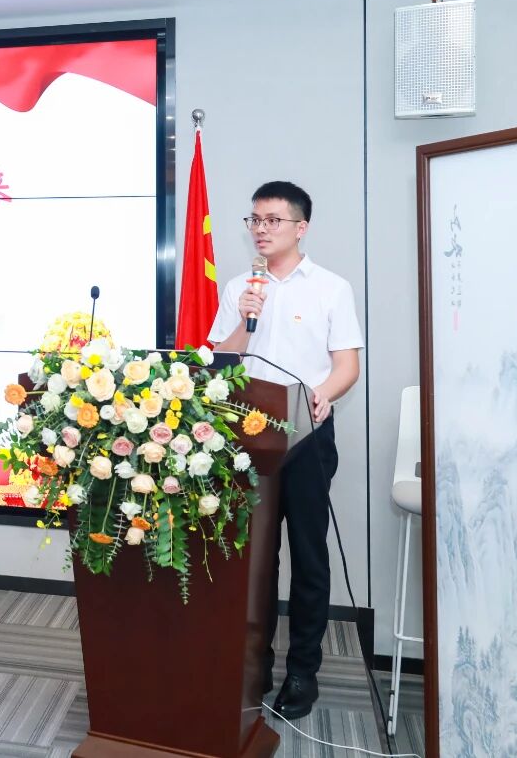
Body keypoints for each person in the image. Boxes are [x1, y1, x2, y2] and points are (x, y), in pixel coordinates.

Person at [208, 180, 363, 721]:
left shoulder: (331, 288)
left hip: (307, 436)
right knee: (253, 559)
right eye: (254, 219)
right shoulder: (239, 288)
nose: (260, 229)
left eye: (272, 220)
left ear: (301, 227)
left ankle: (303, 672)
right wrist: (243, 321)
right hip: (247, 438)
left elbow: (346, 365)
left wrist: (324, 392)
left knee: (308, 555)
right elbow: (220, 361)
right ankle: (255, 665)